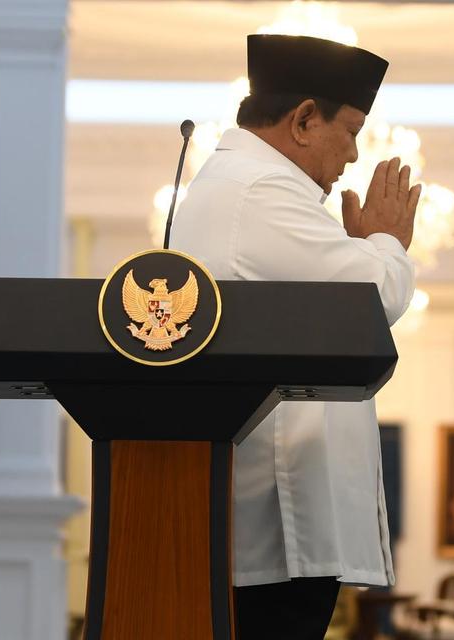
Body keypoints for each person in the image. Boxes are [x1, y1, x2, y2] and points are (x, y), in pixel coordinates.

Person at [170, 34, 421, 639]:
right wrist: (386, 243)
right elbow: (368, 301)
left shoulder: (237, 185)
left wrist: (363, 250)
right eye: (352, 130)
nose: (354, 156)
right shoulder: (259, 190)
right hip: (279, 521)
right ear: (306, 119)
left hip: (268, 517)